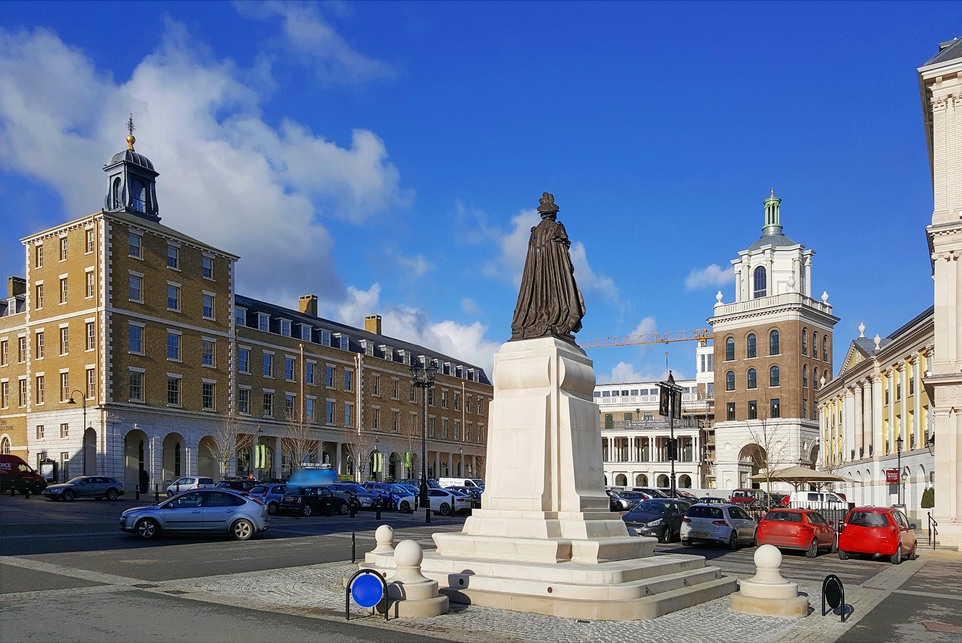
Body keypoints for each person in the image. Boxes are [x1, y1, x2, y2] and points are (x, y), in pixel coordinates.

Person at [510, 192, 586, 342]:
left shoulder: (535, 232)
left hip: (535, 276)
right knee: (555, 292)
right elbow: (564, 259)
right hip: (554, 273)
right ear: (553, 214)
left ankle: (534, 317)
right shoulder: (557, 229)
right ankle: (553, 317)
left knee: (536, 292)